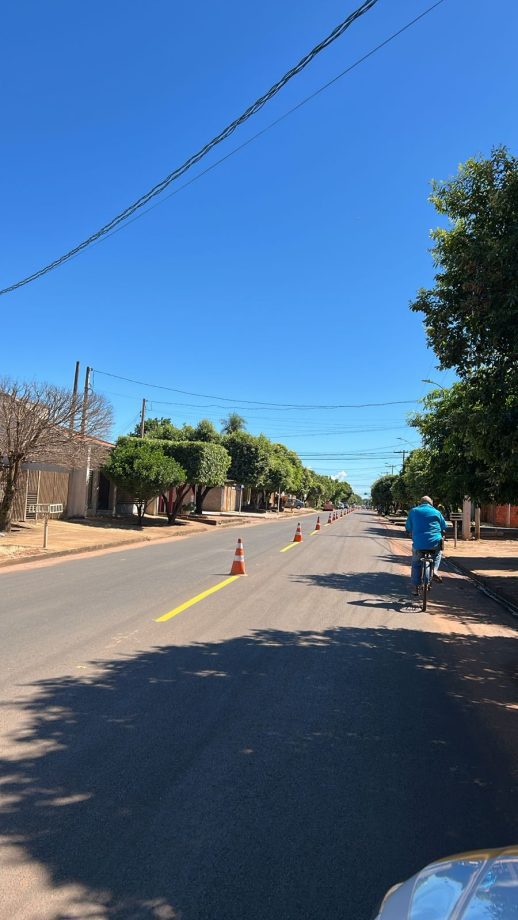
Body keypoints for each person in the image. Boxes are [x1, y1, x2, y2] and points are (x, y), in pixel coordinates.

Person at [405, 496, 447, 595]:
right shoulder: (437, 512)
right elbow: (444, 527)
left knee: (416, 563)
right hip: (434, 543)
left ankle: (416, 588)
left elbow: (408, 527)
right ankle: (435, 570)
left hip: (418, 544)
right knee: (437, 554)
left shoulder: (414, 511)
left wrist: (410, 531)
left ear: (420, 503)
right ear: (431, 503)